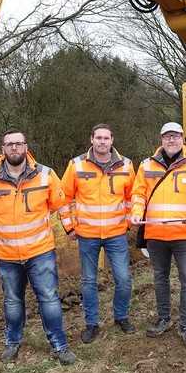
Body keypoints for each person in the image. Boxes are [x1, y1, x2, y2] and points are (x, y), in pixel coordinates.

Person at [0, 130, 75, 365]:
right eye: (10, 144)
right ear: (3, 149)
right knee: (12, 301)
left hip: (40, 252)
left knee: (49, 299)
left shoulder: (46, 175)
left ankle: (60, 345)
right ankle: (13, 342)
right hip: (6, 255)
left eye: (19, 144)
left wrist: (69, 228)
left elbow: (59, 204)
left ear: (26, 147)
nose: (14, 148)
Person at [129, 122, 186, 350]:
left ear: (182, 139)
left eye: (175, 136)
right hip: (156, 234)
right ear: (161, 139)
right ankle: (164, 318)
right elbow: (138, 194)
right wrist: (136, 213)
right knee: (160, 278)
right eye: (167, 136)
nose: (171, 140)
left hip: (185, 234)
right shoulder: (146, 165)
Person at [59, 123, 136, 344]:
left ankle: (121, 316)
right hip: (88, 234)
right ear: (91, 140)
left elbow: (133, 196)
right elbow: (64, 199)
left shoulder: (126, 165)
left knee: (123, 279)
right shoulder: (76, 165)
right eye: (98, 138)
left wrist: (129, 222)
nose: (102, 142)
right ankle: (91, 324)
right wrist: (70, 226)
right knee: (89, 281)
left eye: (106, 138)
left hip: (116, 234)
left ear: (112, 141)